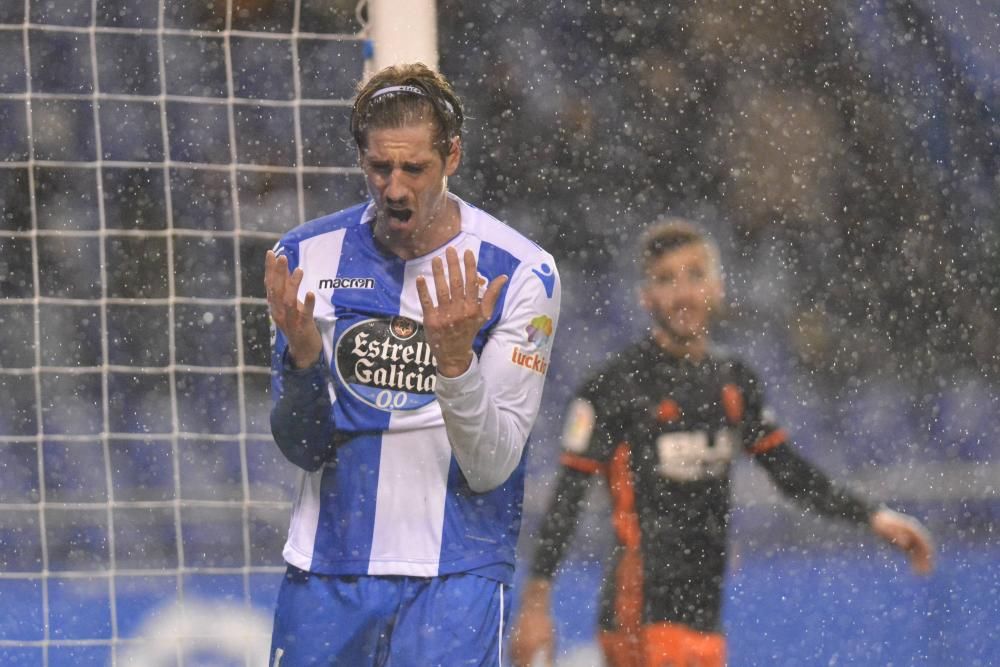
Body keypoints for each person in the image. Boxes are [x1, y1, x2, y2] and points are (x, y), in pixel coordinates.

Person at [510, 220, 933, 667]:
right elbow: (567, 498)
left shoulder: (732, 382)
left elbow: (788, 471)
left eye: (695, 275)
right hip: (641, 611)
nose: (683, 293)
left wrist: (873, 517)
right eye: (666, 279)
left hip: (703, 614)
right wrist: (536, 605)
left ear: (718, 287)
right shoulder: (616, 387)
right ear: (645, 296)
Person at [264, 63, 561, 666]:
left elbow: (491, 464)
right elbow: (301, 447)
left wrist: (455, 366)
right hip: (328, 570)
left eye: (414, 168)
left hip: (455, 573)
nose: (395, 189)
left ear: (452, 156)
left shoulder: (521, 271)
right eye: (380, 167)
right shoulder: (305, 258)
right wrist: (302, 360)